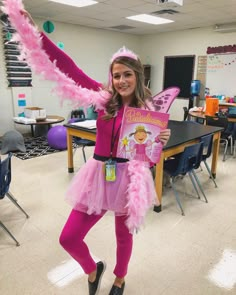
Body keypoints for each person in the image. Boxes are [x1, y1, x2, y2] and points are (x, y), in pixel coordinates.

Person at [3, 1, 173, 294]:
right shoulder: (103, 99)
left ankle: (120, 278)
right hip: (98, 175)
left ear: (138, 76)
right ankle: (93, 270)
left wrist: (159, 142)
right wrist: (36, 35)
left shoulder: (147, 113)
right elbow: (68, 67)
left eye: (127, 74)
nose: (121, 80)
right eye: (116, 75)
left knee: (124, 236)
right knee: (68, 237)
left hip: (127, 180)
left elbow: (147, 157)